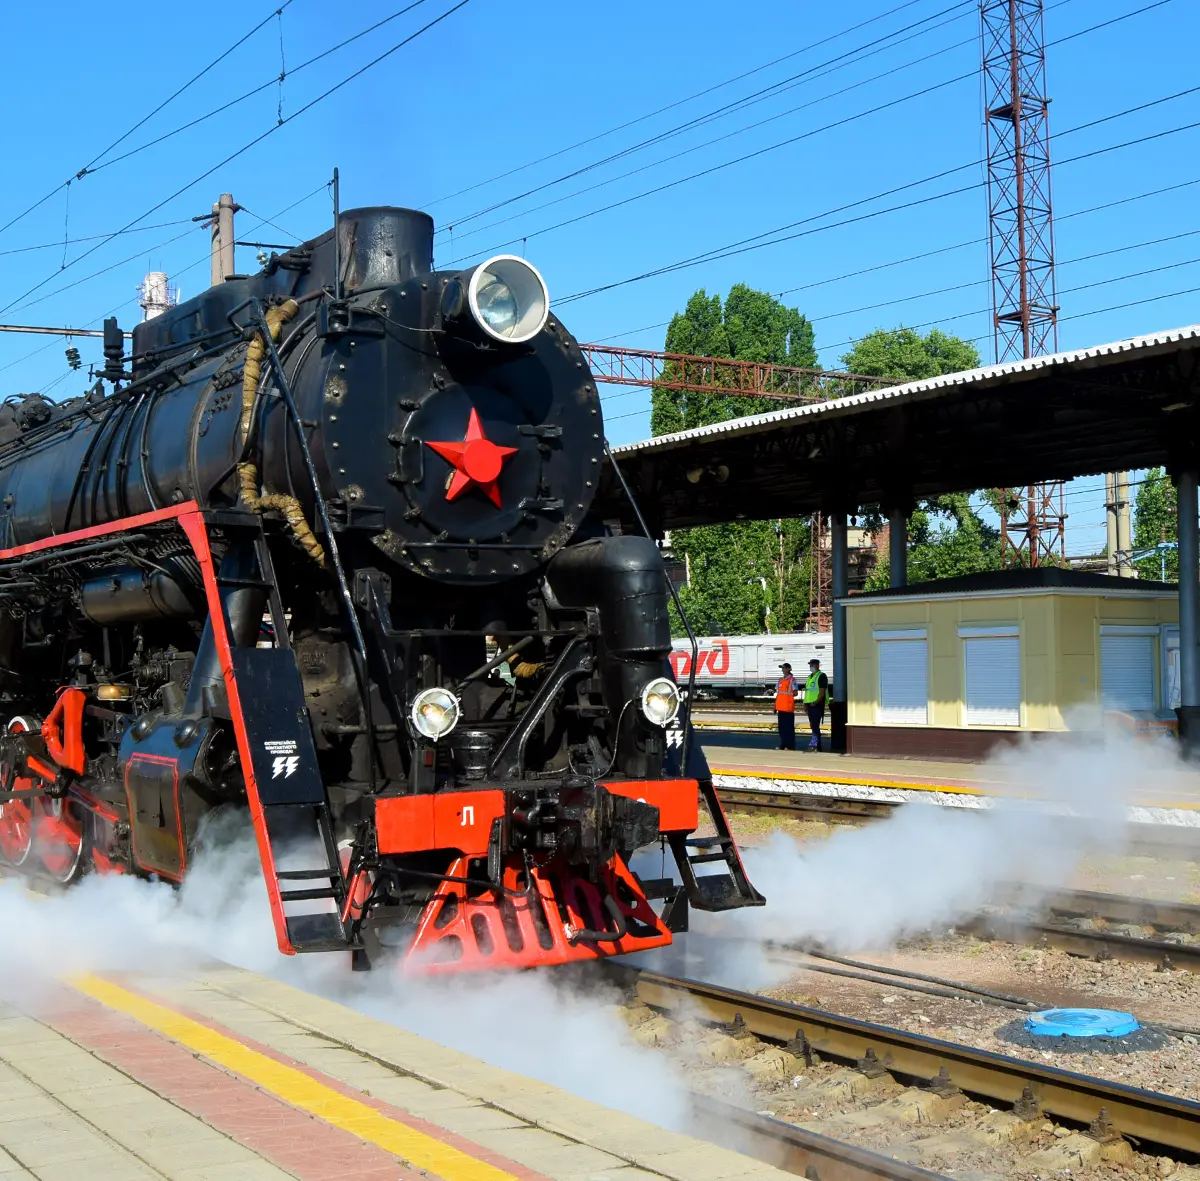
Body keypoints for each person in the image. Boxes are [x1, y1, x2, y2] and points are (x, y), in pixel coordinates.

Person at [804, 658, 830, 751]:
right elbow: (807, 692)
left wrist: (816, 702)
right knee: (813, 725)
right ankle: (817, 746)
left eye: (813, 665)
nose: (811, 667)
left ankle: (814, 745)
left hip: (817, 705)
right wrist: (805, 705)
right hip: (810, 705)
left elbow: (822, 692)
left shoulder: (821, 676)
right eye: (810, 665)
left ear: (818, 665)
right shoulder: (810, 677)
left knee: (815, 725)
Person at [775, 663, 799, 751]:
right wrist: (775, 706)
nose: (782, 670)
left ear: (789, 669)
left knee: (789, 728)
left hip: (788, 708)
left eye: (784, 668)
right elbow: (778, 693)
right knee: (781, 728)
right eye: (782, 668)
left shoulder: (792, 680)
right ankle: (783, 744)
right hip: (780, 707)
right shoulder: (780, 680)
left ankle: (790, 746)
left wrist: (792, 693)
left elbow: (795, 692)